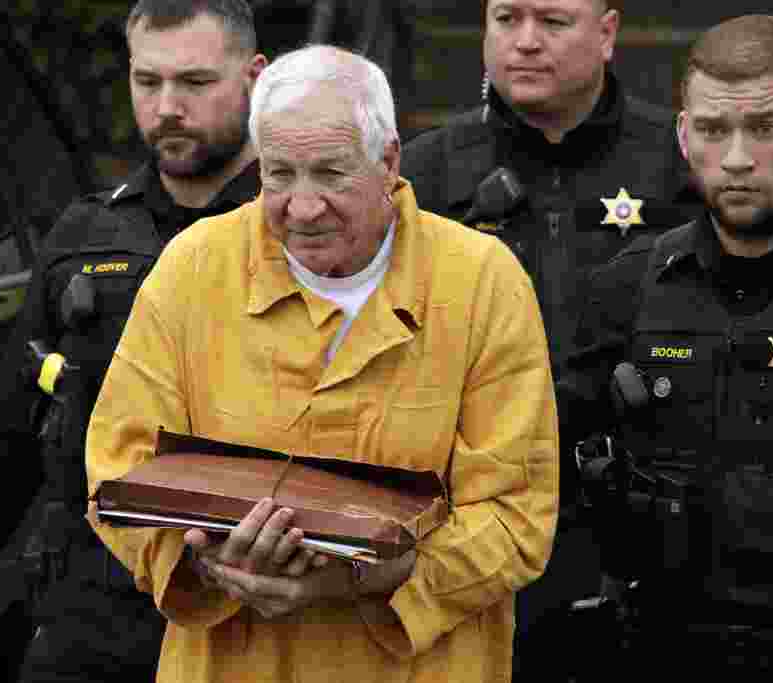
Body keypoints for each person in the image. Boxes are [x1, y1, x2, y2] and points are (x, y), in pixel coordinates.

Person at [85, 45, 559, 683]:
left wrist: (367, 577)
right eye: (279, 174)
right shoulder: (193, 267)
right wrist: (206, 564)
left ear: (389, 162)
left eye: (331, 174)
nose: (302, 208)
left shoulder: (481, 283)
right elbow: (117, 466)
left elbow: (517, 514)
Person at [0, 2, 266, 682]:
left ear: (254, 77)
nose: (166, 107)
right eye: (148, 81)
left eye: (194, 83)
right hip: (89, 607)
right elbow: (5, 426)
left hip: (243, 607)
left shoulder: (298, 228)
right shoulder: (86, 235)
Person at [400, 2, 699, 676]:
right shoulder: (424, 175)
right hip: (474, 519)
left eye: (553, 23)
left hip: (640, 524)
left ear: (608, 33)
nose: (525, 43)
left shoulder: (682, 163)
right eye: (507, 19)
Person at [564, 14, 773, 680]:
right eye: (716, 130)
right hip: (658, 654)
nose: (739, 157)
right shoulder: (625, 288)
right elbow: (559, 485)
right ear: (685, 135)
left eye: (767, 127)